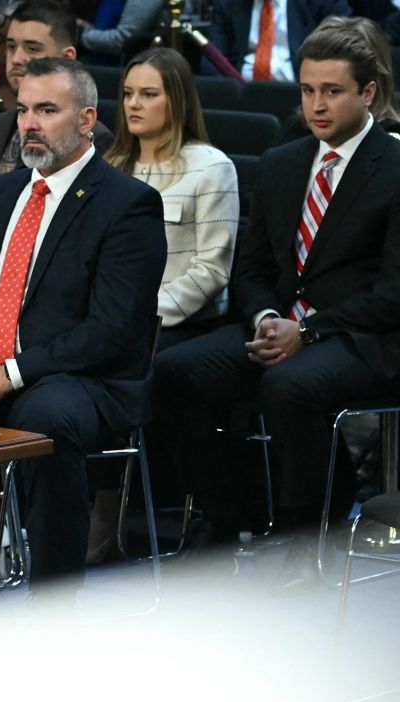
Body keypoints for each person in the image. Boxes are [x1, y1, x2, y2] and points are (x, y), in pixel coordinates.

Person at [153, 21, 400, 588]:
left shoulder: (393, 167)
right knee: (174, 372)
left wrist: (306, 332)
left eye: (332, 91)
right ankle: (225, 516)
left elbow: (393, 293)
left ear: (368, 93)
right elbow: (253, 268)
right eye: (308, 90)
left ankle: (306, 532)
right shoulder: (284, 161)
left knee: (289, 385)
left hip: (363, 336)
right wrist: (267, 317)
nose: (316, 103)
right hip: (285, 326)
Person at [0, 57, 166, 594]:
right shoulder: (4, 193)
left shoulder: (129, 205)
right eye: (23, 109)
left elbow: (112, 331)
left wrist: (12, 371)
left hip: (89, 378)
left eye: (47, 110)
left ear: (86, 120)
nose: (29, 122)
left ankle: (54, 603)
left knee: (43, 418)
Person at [0, 0, 116, 255]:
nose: (16, 59)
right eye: (10, 46)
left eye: (32, 48)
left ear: (68, 58)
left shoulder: (92, 140)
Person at [106, 47, 239, 349]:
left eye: (149, 94)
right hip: (112, 320)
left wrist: (138, 315)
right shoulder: (109, 166)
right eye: (128, 93)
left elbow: (212, 270)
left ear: (177, 102)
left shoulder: (212, 166)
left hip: (180, 326)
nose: (133, 104)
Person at [211, 0, 351, 80]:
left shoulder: (319, 2)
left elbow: (343, 41)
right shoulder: (227, 4)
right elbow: (211, 60)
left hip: (298, 93)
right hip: (243, 93)